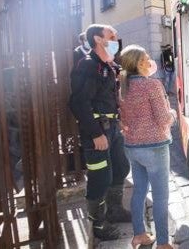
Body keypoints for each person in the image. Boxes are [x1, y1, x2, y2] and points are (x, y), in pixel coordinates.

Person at [69, 24, 131, 241]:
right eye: (111, 36)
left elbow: (108, 99)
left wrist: (120, 120)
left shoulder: (109, 66)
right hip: (96, 132)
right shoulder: (88, 65)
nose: (116, 39)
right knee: (100, 177)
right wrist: (96, 134)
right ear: (97, 39)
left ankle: (114, 210)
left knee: (122, 167)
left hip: (112, 128)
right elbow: (78, 103)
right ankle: (99, 224)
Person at [118, 45, 176, 249]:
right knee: (161, 195)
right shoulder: (152, 85)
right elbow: (163, 119)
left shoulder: (123, 87)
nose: (150, 60)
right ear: (140, 63)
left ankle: (139, 235)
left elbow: (123, 119)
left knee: (140, 190)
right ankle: (162, 243)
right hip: (154, 147)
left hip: (132, 147)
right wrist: (174, 115)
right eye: (147, 58)